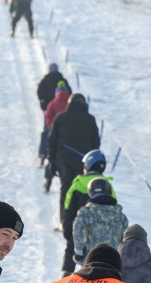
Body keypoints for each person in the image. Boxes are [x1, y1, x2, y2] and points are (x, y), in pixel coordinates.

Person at [47, 92, 100, 272]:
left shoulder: (61, 117)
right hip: (83, 159)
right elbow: (96, 143)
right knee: (84, 190)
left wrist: (52, 161)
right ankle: (83, 221)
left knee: (66, 189)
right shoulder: (90, 119)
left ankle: (65, 221)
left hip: (63, 158)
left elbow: (52, 140)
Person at [72, 179, 128, 265]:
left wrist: (79, 251)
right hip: (113, 261)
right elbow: (126, 237)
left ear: (90, 192)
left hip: (91, 260)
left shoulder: (86, 213)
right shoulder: (120, 215)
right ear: (108, 191)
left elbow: (77, 229)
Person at [63, 149, 114, 232]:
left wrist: (68, 234)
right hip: (103, 236)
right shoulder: (108, 186)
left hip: (78, 234)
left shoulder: (77, 185)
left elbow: (68, 209)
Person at [41, 80, 71, 192]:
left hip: (54, 135)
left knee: (52, 158)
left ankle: (48, 182)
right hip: (67, 136)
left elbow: (47, 116)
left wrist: (51, 127)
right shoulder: (69, 104)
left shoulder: (52, 103)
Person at [36, 66, 66, 168]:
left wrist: (43, 103)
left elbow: (39, 91)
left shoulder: (45, 81)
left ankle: (42, 155)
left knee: (46, 135)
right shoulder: (63, 81)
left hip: (50, 112)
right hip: (64, 119)